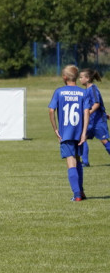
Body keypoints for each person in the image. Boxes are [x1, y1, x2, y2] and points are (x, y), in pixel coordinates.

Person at [49, 65, 90, 201]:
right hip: (79, 133)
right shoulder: (83, 93)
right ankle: (81, 191)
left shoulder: (59, 92)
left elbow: (51, 110)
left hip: (66, 133)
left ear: (65, 77)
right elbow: (86, 113)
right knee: (78, 160)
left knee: (71, 162)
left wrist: (55, 129)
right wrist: (84, 132)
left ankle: (77, 194)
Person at [79, 68, 110, 166]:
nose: (79, 79)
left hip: (98, 121)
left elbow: (97, 104)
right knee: (82, 138)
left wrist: (88, 113)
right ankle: (85, 162)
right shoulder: (86, 90)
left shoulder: (93, 89)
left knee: (104, 140)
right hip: (90, 121)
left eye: (81, 77)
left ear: (87, 78)